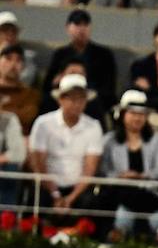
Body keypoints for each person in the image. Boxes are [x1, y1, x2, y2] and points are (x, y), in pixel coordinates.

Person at [28, 74, 102, 220]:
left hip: (78, 187)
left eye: (81, 98)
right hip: (46, 186)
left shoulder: (94, 126)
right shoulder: (43, 123)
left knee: (91, 202)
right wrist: (55, 194)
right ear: (60, 99)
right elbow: (38, 164)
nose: (77, 103)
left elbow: (90, 168)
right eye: (72, 98)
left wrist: (71, 197)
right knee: (36, 197)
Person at [99, 89, 158, 239]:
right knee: (123, 197)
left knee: (150, 198)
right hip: (119, 190)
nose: (137, 118)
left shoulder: (155, 140)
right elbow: (103, 171)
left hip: (148, 190)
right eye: (133, 113)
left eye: (141, 114)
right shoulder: (110, 141)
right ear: (123, 114)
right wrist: (121, 176)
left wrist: (141, 176)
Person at [42, 10, 116, 112]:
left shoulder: (104, 55)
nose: (81, 29)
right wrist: (58, 81)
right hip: (63, 100)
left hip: (93, 103)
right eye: (77, 24)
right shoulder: (60, 54)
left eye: (85, 25)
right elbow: (48, 86)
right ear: (68, 28)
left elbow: (109, 89)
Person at [0, 43, 39, 132]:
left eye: (18, 60)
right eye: (8, 58)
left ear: (23, 66)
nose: (13, 64)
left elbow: (27, 117)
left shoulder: (31, 94)